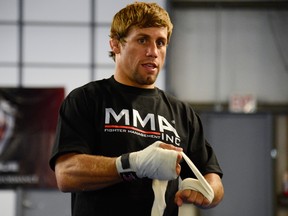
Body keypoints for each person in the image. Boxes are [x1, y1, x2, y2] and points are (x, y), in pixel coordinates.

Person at [49, 2, 224, 216]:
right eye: (142, 40)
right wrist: (134, 164)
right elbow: (66, 174)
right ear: (115, 44)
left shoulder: (182, 113)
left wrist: (206, 192)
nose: (153, 51)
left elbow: (212, 178)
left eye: (161, 42)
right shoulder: (87, 99)